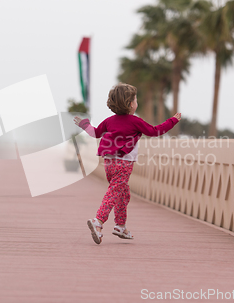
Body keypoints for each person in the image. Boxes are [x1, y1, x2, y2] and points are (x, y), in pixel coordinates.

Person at [73, 83, 181, 244]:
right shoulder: (135, 121)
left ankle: (120, 226)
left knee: (123, 194)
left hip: (109, 163)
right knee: (114, 193)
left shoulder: (109, 121)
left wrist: (84, 125)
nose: (137, 102)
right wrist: (173, 120)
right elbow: (155, 131)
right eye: (135, 100)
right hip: (124, 164)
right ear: (131, 104)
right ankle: (98, 221)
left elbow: (95, 133)